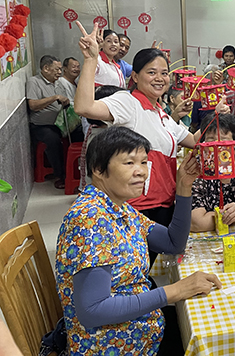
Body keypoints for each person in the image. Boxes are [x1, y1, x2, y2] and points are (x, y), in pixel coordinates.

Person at [55, 126, 222, 356]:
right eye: (129, 163)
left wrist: (183, 186)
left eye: (144, 162)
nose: (141, 171)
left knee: (209, 324)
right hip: (113, 345)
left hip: (141, 328)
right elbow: (93, 310)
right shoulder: (89, 219)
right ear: (99, 170)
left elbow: (173, 243)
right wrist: (175, 290)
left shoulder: (120, 208)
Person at [74, 22, 212, 228]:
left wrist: (215, 114)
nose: (160, 78)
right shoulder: (129, 102)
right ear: (136, 77)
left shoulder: (161, 114)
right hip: (137, 207)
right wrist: (91, 59)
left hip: (164, 203)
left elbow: (193, 141)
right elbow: (84, 107)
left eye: (164, 73)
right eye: (152, 72)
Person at [27, 54, 70, 189]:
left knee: (79, 133)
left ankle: (76, 172)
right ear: (46, 68)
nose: (59, 72)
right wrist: (54, 97)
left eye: (60, 70)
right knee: (53, 140)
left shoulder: (58, 83)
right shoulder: (34, 82)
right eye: (57, 69)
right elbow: (33, 105)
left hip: (59, 123)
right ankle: (60, 175)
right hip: (41, 126)